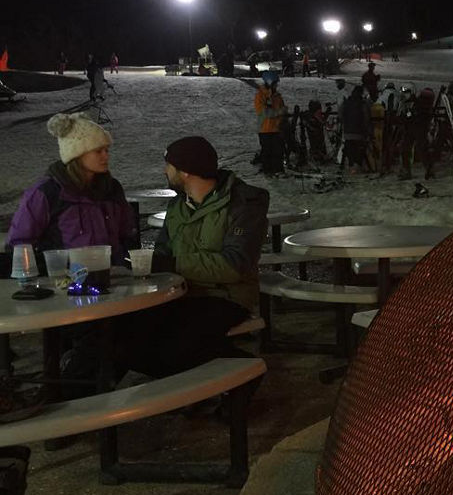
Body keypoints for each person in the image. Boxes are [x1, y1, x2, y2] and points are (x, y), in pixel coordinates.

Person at [61, 137, 268, 385]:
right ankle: (80, 393)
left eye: (169, 165)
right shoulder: (178, 206)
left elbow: (235, 265)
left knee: (166, 348)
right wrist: (142, 265)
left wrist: (170, 264)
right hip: (180, 294)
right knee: (119, 332)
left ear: (186, 172)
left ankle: (241, 369)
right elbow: (163, 251)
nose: (164, 171)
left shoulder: (242, 204)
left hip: (226, 297)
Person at [6, 113, 135, 265]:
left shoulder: (111, 189)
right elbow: (19, 243)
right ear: (77, 154)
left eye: (107, 150)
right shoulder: (47, 193)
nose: (105, 156)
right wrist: (46, 270)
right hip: (65, 276)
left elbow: (126, 233)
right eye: (98, 151)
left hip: (111, 274)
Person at [254, 70, 286, 174]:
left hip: (277, 128)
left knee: (278, 151)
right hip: (265, 129)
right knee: (267, 152)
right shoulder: (261, 96)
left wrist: (283, 116)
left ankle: (278, 170)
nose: (277, 86)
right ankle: (268, 171)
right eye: (275, 83)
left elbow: (282, 110)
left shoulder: (277, 96)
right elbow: (264, 113)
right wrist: (280, 112)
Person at [340, 86, 371, 173]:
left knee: (349, 147)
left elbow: (340, 114)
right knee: (359, 148)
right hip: (359, 132)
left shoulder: (346, 102)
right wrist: (367, 130)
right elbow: (366, 118)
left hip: (347, 132)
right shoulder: (362, 104)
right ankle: (358, 165)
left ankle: (351, 165)